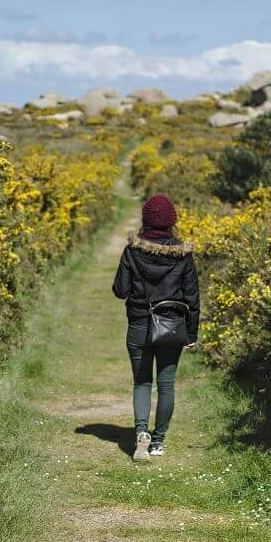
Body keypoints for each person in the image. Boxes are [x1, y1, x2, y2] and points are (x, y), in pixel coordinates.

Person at [112, 194, 200, 462]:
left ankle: (142, 432)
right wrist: (192, 334)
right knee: (166, 385)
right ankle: (158, 441)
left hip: (139, 324)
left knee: (141, 382)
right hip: (171, 327)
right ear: (171, 221)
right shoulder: (183, 255)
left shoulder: (132, 251)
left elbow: (120, 290)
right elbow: (192, 297)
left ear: (145, 219)